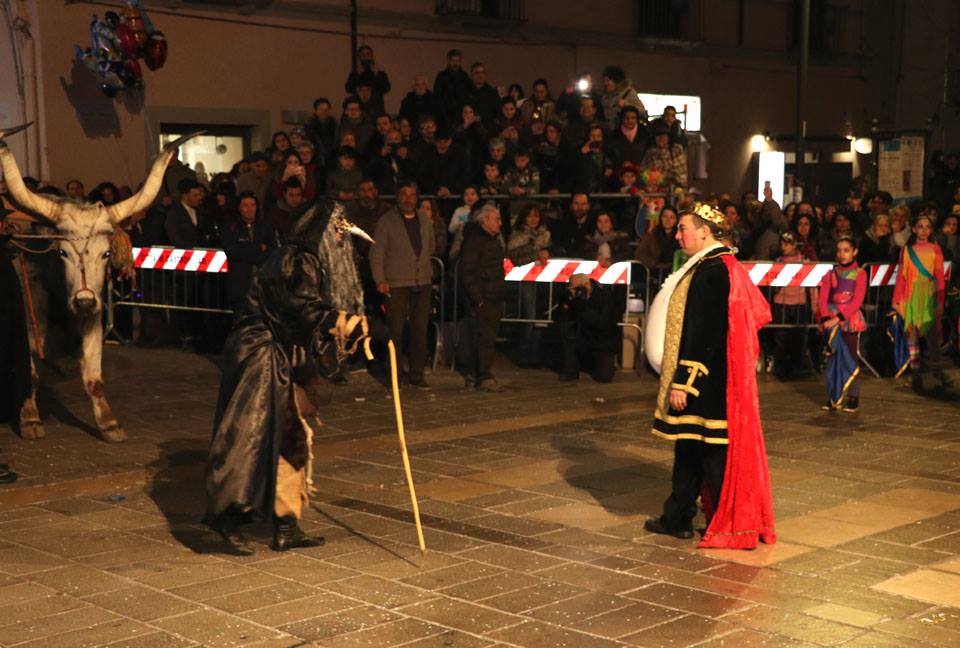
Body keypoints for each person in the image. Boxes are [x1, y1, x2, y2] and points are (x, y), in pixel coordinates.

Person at [205, 199, 372, 555]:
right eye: (337, 232)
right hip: (260, 353)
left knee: (291, 437)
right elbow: (300, 305)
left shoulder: (304, 259)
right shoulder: (296, 258)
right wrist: (341, 322)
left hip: (279, 351)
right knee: (251, 435)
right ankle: (229, 515)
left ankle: (286, 523)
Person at [642, 203, 775, 549]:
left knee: (710, 453)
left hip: (705, 381)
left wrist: (685, 383)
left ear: (704, 232)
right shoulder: (719, 266)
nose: (677, 234)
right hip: (714, 378)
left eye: (683, 227)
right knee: (690, 448)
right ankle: (678, 516)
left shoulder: (710, 272)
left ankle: (723, 520)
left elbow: (703, 334)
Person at [369, 182, 436, 390]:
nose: (408, 199)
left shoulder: (424, 220)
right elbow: (376, 252)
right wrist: (380, 279)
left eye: (412, 195)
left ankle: (417, 375)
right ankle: (395, 376)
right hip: (395, 283)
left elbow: (431, 246)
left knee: (419, 329)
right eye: (404, 195)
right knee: (395, 331)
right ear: (398, 197)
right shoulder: (386, 222)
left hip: (421, 281)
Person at [892, 213, 949, 389]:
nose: (924, 230)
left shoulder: (935, 249)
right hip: (911, 295)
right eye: (920, 226)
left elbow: (939, 277)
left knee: (931, 335)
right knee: (912, 336)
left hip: (928, 296)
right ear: (914, 229)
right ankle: (916, 374)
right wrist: (897, 300)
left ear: (931, 230)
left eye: (927, 227)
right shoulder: (906, 250)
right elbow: (901, 277)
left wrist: (940, 301)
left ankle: (938, 371)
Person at [459, 204, 506, 391]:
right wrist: (477, 298)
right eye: (496, 219)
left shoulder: (492, 240)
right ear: (485, 220)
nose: (500, 224)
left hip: (493, 294)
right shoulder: (475, 241)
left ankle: (474, 374)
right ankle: (483, 376)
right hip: (484, 297)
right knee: (484, 337)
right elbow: (467, 272)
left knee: (486, 337)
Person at [818, 236, 867, 412]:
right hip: (831, 321)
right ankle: (834, 396)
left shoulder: (860, 274)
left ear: (855, 252)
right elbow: (823, 298)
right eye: (839, 250)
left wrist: (837, 318)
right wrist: (825, 318)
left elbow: (857, 301)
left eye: (846, 250)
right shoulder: (830, 274)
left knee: (850, 358)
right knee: (832, 358)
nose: (842, 254)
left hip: (848, 320)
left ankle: (853, 396)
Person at [221, 192, 278, 315]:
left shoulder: (266, 226)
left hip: (261, 282)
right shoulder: (231, 227)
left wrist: (249, 252)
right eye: (245, 205)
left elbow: (272, 250)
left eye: (253, 205)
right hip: (240, 283)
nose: (249, 209)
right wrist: (257, 248)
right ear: (239, 208)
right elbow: (232, 251)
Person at [559, 273, 619, 382]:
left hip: (601, 340)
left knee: (604, 377)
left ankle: (596, 364)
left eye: (576, 288)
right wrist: (571, 302)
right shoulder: (570, 296)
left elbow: (603, 324)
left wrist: (581, 304)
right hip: (580, 337)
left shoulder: (604, 296)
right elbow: (564, 319)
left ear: (587, 285)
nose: (574, 291)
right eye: (571, 288)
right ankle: (571, 369)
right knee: (566, 333)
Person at [771, 232, 813, 380]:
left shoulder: (804, 261)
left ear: (795, 244)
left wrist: (815, 304)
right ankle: (781, 368)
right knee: (781, 338)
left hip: (799, 303)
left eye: (787, 243)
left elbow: (812, 285)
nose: (784, 247)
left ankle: (798, 368)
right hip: (781, 303)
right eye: (782, 243)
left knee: (799, 337)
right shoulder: (778, 261)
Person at [344, 45, 391, 114]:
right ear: (359, 58)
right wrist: (358, 75)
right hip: (359, 111)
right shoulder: (354, 74)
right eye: (362, 55)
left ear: (372, 56)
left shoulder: (380, 74)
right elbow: (348, 89)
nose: (365, 57)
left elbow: (386, 88)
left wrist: (377, 74)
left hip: (376, 110)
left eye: (368, 54)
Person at [599, 64, 647, 131]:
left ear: (616, 80)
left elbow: (642, 112)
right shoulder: (605, 97)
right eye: (604, 80)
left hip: (624, 134)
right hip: (609, 134)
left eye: (607, 80)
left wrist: (626, 104)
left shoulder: (628, 93)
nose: (605, 83)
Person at [433, 49, 472, 128]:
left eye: (457, 60)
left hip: (461, 116)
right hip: (445, 116)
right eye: (453, 60)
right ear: (448, 61)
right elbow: (437, 98)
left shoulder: (465, 77)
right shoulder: (441, 77)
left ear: (460, 61)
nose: (455, 63)